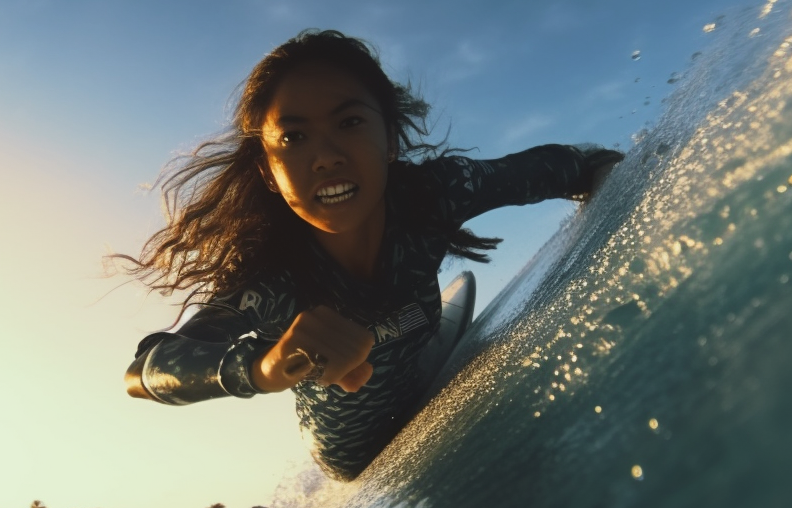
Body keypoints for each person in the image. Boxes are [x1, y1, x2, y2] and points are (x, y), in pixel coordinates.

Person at [121, 30, 622, 480]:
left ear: (390, 141)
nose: (327, 155)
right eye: (293, 138)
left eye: (350, 122)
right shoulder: (267, 280)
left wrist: (616, 173)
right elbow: (145, 373)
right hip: (355, 455)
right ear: (268, 173)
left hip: (424, 380)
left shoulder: (434, 194)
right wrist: (265, 366)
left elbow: (562, 166)